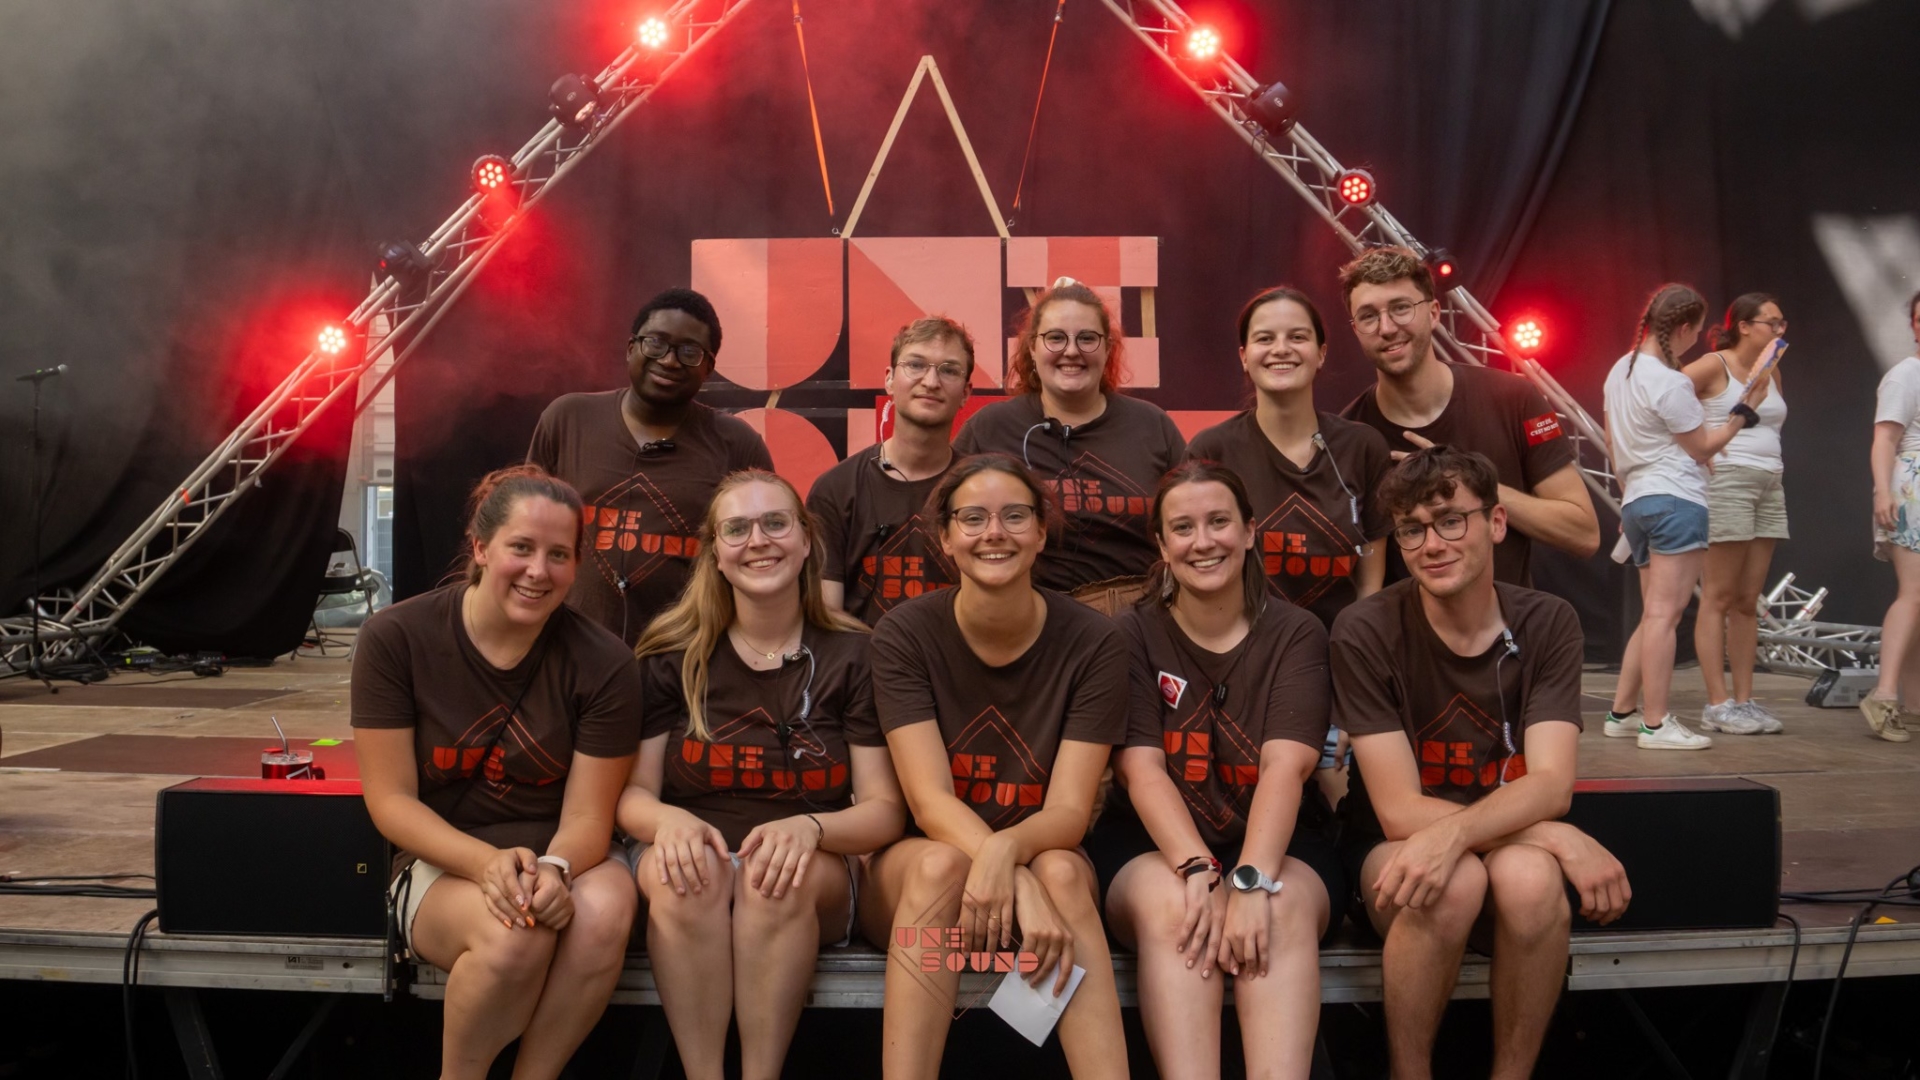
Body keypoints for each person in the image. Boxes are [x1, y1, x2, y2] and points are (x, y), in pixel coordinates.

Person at [1333, 447, 1629, 1080]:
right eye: (1411, 530)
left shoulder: (1548, 621)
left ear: (1496, 522)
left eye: (1450, 521)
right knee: (1453, 881)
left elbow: (1551, 783)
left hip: (1490, 845)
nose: (1432, 545)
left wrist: (1477, 833)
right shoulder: (1365, 629)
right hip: (1395, 853)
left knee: (1531, 880)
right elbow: (1397, 812)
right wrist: (1554, 835)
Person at [352, 465, 642, 1080]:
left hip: (565, 858)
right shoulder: (395, 638)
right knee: (516, 932)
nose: (539, 570)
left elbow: (589, 816)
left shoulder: (606, 664)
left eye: (559, 555)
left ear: (577, 564)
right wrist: (486, 864)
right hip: (442, 862)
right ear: (481, 547)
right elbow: (391, 802)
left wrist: (556, 868)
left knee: (606, 911)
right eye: (522, 548)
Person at [617, 470, 907, 1080]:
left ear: (806, 540)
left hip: (810, 869)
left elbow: (884, 810)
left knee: (771, 880)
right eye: (737, 529)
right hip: (692, 861)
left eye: (776, 523)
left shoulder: (855, 655)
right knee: (687, 876)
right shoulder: (671, 654)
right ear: (715, 553)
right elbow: (633, 795)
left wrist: (812, 828)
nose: (758, 541)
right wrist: (668, 822)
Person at [859, 453, 1131, 1079]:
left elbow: (1069, 811)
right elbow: (928, 803)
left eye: (1015, 516)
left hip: (1041, 861)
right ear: (946, 538)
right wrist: (1014, 878)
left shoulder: (1094, 641)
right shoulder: (904, 634)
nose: (994, 533)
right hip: (922, 874)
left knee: (1063, 871)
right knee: (941, 867)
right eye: (973, 518)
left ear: (1041, 533)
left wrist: (1014, 860)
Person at [1094, 460, 1339, 1079]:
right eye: (1183, 528)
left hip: (1281, 840)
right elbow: (1142, 770)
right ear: (1162, 545)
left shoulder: (1297, 632)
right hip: (1154, 844)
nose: (1202, 541)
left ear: (1251, 531)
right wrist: (1199, 868)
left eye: (1219, 522)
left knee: (1277, 910)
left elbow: (1285, 767)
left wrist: (1251, 882)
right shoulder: (1129, 635)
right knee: (1180, 909)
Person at [1338, 247, 1600, 585]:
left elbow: (1584, 534)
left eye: (1401, 308)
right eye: (1368, 316)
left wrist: (1470, 485)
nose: (1386, 327)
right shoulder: (1350, 435)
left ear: (1434, 313)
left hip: (1508, 617)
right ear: (1355, 329)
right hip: (1405, 621)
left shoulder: (1515, 398)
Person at [529, 287, 774, 647]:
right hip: (566, 651)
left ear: (708, 368)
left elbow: (764, 558)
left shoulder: (737, 444)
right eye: (656, 343)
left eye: (689, 352)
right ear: (631, 348)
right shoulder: (567, 419)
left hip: (683, 656)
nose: (670, 361)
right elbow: (524, 528)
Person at [1601, 284, 1770, 750]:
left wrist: (1631, 493)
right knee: (1663, 615)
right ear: (1682, 327)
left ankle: (1622, 713)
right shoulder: (1669, 381)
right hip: (1675, 499)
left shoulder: (1621, 370)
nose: (1698, 340)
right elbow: (1701, 447)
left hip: (1639, 500)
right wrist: (1743, 413)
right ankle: (1655, 725)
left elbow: (1614, 442)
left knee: (1653, 615)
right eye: (1696, 331)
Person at [953, 278, 1186, 599]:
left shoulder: (1153, 426)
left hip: (1141, 614)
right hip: (1028, 615)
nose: (1072, 351)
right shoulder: (989, 428)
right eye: (1055, 338)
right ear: (1032, 348)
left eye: (1087, 338)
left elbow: (1189, 523)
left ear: (1108, 348)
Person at [1186, 286, 1391, 628]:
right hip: (1247, 647)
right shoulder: (1211, 451)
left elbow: (1371, 583)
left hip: (1343, 646)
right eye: (1265, 338)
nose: (1281, 349)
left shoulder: (1363, 447)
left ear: (1321, 353)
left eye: (1297, 337)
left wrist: (1356, 642)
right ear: (1244, 356)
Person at [807, 316, 972, 625]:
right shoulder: (836, 489)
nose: (931, 382)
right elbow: (826, 615)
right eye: (916, 365)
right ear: (890, 380)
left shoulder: (982, 489)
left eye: (949, 370)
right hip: (864, 655)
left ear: (966, 393)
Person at [1682, 293, 1790, 735]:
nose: (1779, 330)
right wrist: (1697, 449)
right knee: (1718, 595)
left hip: (1769, 482)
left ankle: (1744, 701)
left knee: (1748, 600)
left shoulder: (1772, 369)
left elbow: (1772, 423)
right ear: (1744, 326)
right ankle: (1717, 703)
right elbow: (1663, 399)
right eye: (1771, 323)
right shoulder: (1714, 365)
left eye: (1782, 324)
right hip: (1728, 480)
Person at [1862, 289, 1920, 743]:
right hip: (1912, 489)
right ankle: (1883, 696)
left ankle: (1913, 704)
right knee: (1913, 593)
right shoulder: (1906, 374)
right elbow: (1884, 439)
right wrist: (1883, 492)